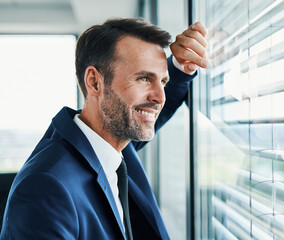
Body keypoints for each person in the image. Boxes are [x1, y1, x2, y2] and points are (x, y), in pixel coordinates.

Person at [0, 18, 208, 240]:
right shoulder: (46, 187)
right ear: (94, 82)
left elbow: (147, 112)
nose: (160, 97)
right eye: (144, 78)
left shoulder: (111, 142)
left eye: (163, 82)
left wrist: (180, 67)